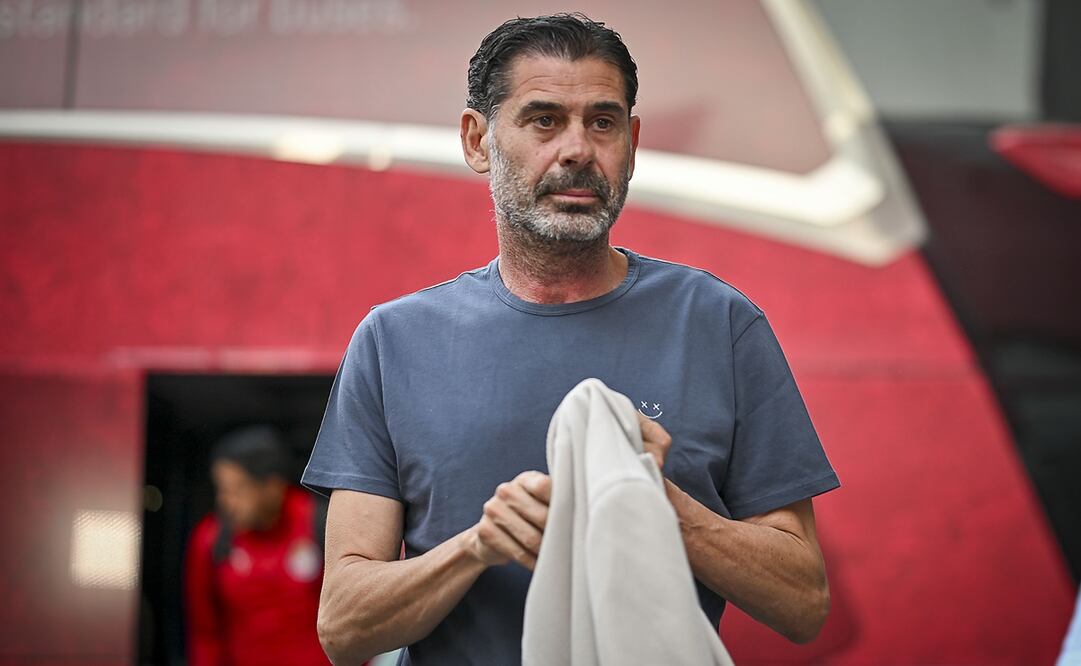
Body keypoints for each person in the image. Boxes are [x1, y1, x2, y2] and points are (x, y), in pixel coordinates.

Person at [303, 13, 840, 666]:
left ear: (632, 144)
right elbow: (344, 625)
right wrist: (477, 545)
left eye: (603, 122)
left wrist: (656, 502)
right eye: (544, 120)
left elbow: (803, 602)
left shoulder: (718, 323)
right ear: (477, 141)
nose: (578, 149)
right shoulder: (394, 343)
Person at [185, 426, 333, 666]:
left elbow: (354, 617)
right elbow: (204, 631)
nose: (226, 502)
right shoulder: (211, 539)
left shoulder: (321, 524)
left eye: (237, 490)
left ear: (273, 487)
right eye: (222, 490)